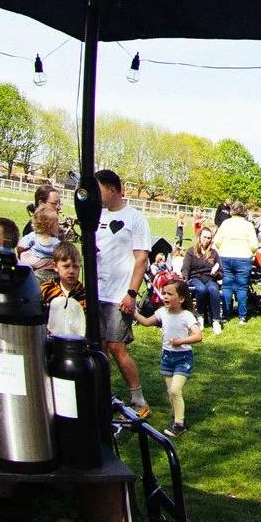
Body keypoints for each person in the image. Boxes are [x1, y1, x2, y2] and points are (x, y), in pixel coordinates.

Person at [93, 170, 153, 416]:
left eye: (99, 190)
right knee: (100, 347)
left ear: (112, 190)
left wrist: (131, 293)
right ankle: (102, 396)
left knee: (118, 347)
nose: (97, 196)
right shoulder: (97, 216)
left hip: (119, 295)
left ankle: (139, 401)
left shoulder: (135, 219)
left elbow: (142, 259)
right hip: (97, 292)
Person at [133, 279, 205, 435]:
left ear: (181, 299)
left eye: (169, 294)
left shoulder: (187, 316)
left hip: (183, 358)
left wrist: (181, 341)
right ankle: (179, 418)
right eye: (163, 293)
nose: (164, 296)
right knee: (171, 392)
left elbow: (198, 336)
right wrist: (133, 312)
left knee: (174, 391)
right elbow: (146, 322)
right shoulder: (162, 313)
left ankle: (179, 425)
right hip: (167, 357)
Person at [217, 207, 259, 323]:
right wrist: (250, 252)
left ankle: (225, 314)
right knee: (242, 288)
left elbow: (217, 241)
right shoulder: (248, 225)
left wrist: (224, 249)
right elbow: (254, 245)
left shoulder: (226, 223)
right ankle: (242, 316)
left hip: (226, 256)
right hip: (243, 258)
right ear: (244, 213)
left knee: (226, 286)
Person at [183, 221, 224, 329]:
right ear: (199, 237)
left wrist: (216, 273)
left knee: (213, 289)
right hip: (195, 278)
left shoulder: (214, 253)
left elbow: (221, 273)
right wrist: (185, 279)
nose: (206, 240)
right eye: (204, 237)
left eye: (209, 238)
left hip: (210, 278)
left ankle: (216, 321)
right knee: (201, 289)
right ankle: (200, 315)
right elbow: (185, 268)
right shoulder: (191, 252)